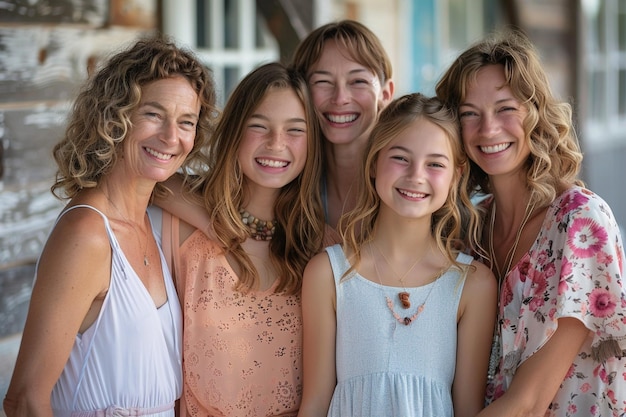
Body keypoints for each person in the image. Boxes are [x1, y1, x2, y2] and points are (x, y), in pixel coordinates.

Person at [3, 36, 218, 417]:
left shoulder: (152, 223)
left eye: (186, 122)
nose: (171, 137)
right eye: (153, 114)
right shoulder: (87, 233)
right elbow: (24, 400)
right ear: (115, 117)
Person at [436, 30, 626, 416]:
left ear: (535, 111)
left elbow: (528, 403)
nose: (488, 129)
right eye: (470, 113)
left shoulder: (580, 222)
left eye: (505, 108)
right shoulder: (469, 232)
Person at [297, 93, 497, 417]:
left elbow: (468, 410)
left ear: (456, 176)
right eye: (401, 158)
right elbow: (315, 404)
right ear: (374, 163)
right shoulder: (328, 273)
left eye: (434, 164)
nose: (416, 175)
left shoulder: (473, 284)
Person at [155, 62, 331, 416]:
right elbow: (141, 176)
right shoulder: (185, 228)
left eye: (295, 130)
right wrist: (218, 223)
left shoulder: (322, 248)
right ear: (234, 130)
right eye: (259, 126)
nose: (276, 143)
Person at [291, 19, 395, 231]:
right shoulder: (288, 180)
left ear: (385, 93)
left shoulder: (406, 178)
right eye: (322, 82)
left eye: (358, 81)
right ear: (301, 92)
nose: (340, 98)